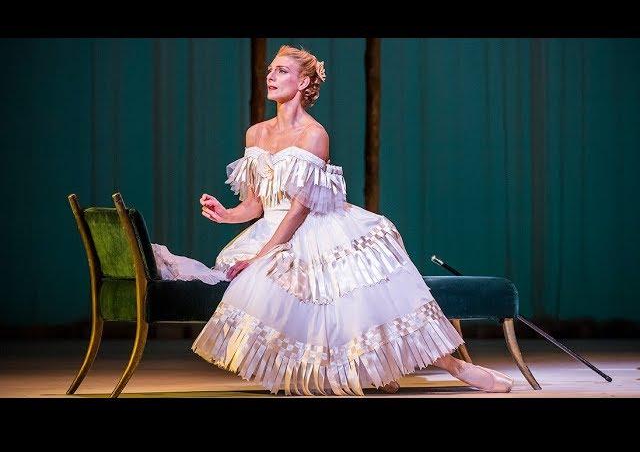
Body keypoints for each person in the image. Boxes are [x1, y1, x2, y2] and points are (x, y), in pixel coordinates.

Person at [152, 44, 514, 396]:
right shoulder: (257, 133)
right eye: (269, 70)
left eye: (281, 71)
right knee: (288, 302)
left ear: (305, 82)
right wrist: (226, 213)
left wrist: (263, 254)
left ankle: (455, 367)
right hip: (272, 229)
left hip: (314, 229)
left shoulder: (314, 135)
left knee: (356, 303)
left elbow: (300, 208)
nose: (270, 76)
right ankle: (374, 372)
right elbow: (256, 205)